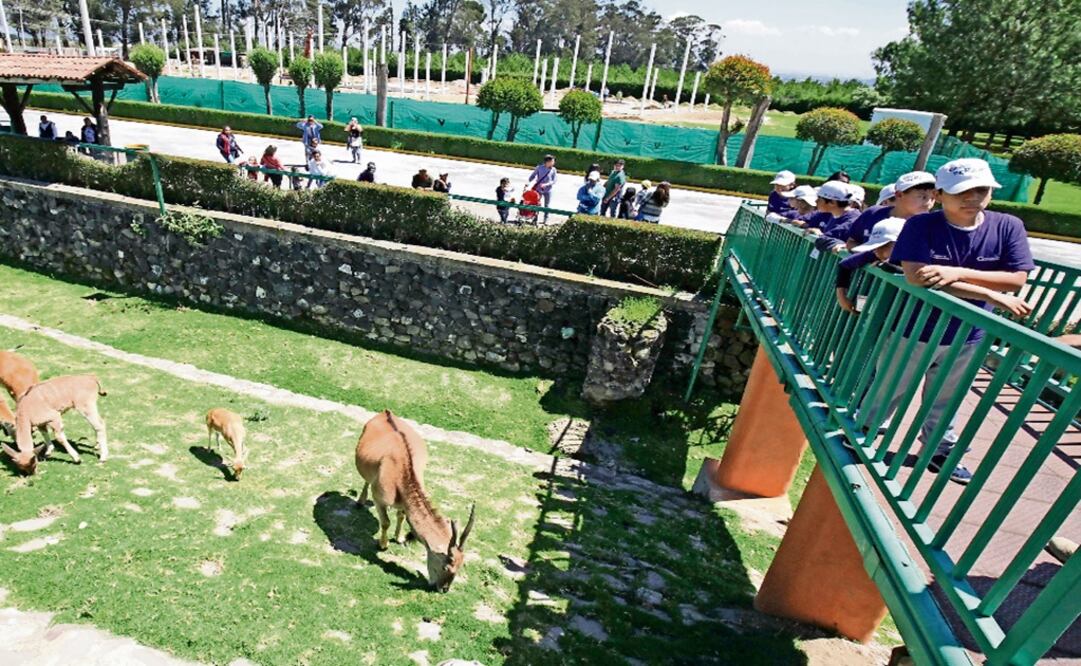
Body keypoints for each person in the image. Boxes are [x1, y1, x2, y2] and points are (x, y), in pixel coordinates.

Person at [864, 158, 1036, 485]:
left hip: (969, 333)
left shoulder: (1007, 225)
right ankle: (865, 432)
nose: (972, 198)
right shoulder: (921, 225)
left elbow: (1015, 279)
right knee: (890, 386)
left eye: (981, 190)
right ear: (940, 194)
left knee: (948, 397)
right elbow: (917, 277)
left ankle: (939, 451)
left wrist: (954, 273)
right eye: (961, 192)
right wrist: (991, 293)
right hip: (914, 328)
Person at [846, 171, 937, 249]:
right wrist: (870, 256)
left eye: (933, 198)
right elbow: (851, 242)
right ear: (899, 195)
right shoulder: (873, 213)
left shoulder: (933, 227)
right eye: (922, 197)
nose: (928, 203)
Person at [835, 217, 905, 313]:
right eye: (875, 246)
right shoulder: (872, 254)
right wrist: (842, 297)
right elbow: (844, 265)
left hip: (907, 314)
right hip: (874, 305)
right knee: (860, 313)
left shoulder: (921, 259)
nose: (878, 251)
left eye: (884, 246)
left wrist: (892, 268)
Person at [528, 155, 558, 222]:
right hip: (538, 189)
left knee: (547, 205)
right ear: (547, 161)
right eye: (552, 161)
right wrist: (529, 182)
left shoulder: (553, 170)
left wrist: (546, 184)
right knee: (536, 204)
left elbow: (554, 180)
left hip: (548, 190)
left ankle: (545, 219)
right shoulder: (539, 168)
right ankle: (534, 218)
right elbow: (532, 176)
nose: (553, 163)